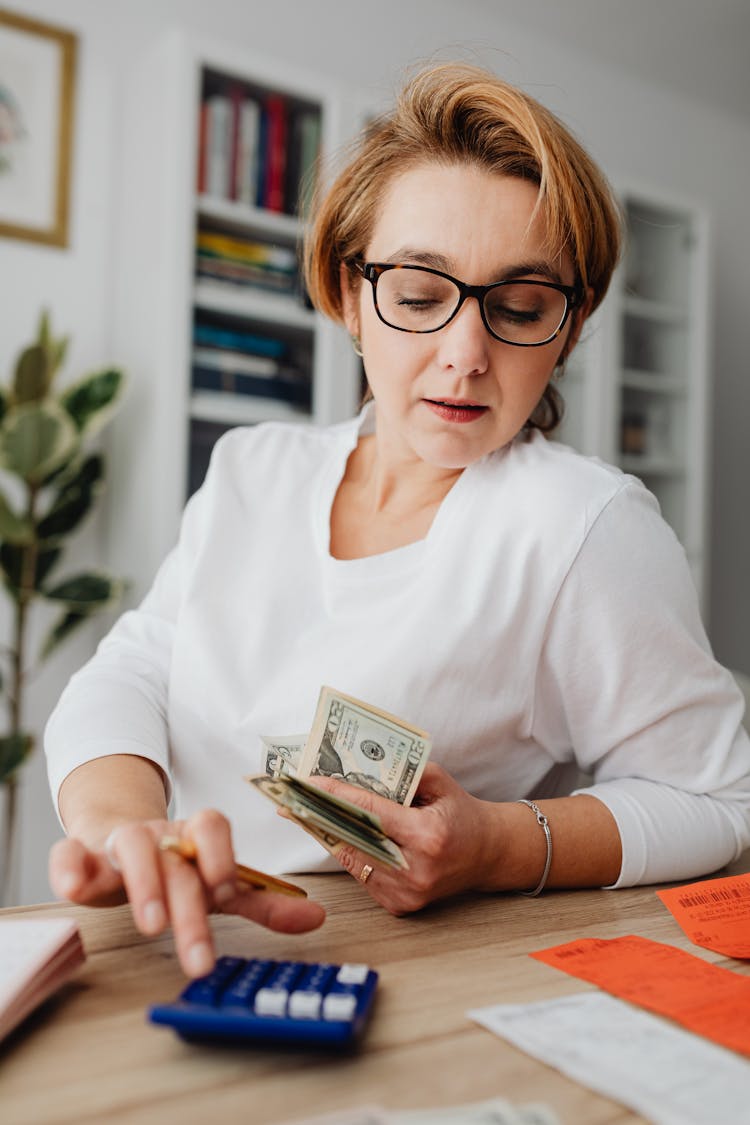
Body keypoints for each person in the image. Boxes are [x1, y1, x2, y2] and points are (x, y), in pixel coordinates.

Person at [46, 62, 750, 977]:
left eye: (521, 307)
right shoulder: (251, 468)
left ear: (569, 330)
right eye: (420, 296)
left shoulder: (583, 527)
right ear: (349, 295)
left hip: (377, 979)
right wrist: (123, 827)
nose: (465, 356)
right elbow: (137, 665)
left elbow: (721, 800)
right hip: (153, 945)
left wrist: (495, 846)